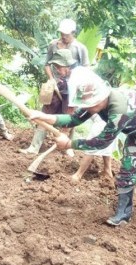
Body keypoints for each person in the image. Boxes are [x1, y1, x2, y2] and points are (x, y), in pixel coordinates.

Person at [28, 67, 136, 227]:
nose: (88, 109)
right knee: (128, 170)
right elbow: (73, 119)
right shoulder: (95, 103)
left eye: (90, 106)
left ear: (101, 98)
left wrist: (70, 143)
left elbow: (102, 142)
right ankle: (123, 214)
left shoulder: (118, 110)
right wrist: (43, 116)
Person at [19, 18, 89, 156]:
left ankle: (67, 147)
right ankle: (34, 147)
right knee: (45, 114)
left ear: (73, 33)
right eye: (62, 33)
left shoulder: (80, 48)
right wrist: (52, 80)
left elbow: (86, 68)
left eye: (67, 34)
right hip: (55, 88)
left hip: (72, 89)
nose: (64, 36)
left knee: (70, 118)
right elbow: (47, 64)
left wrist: (79, 90)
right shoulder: (53, 45)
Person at [43, 49, 114, 181]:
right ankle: (107, 171)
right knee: (105, 137)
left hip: (99, 107)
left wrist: (64, 132)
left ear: (66, 66)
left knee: (95, 139)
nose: (57, 71)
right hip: (101, 108)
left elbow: (71, 109)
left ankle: (78, 175)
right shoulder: (81, 70)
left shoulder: (73, 80)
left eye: (59, 67)